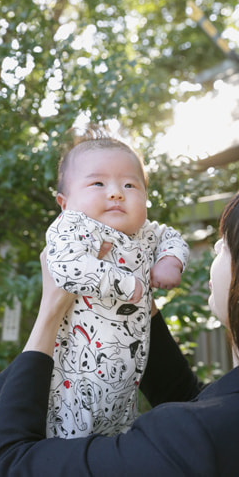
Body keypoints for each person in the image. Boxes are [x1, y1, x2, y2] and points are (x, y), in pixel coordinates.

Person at [0, 169, 239, 476]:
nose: (217, 248)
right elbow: (190, 397)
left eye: (228, 242)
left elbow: (7, 465)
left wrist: (50, 309)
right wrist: (135, 296)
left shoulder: (192, 439)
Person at [45, 126, 189, 438]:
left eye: (129, 185)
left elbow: (172, 237)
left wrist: (169, 260)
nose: (116, 192)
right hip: (74, 391)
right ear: (64, 202)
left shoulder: (145, 233)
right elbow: (66, 266)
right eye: (98, 183)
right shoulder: (74, 227)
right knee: (71, 452)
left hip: (125, 392)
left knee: (117, 440)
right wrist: (124, 285)